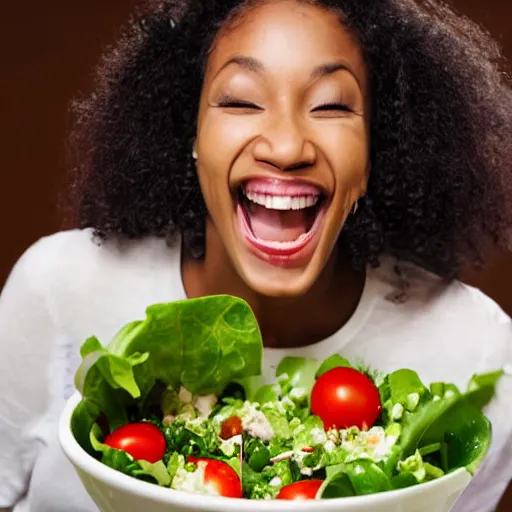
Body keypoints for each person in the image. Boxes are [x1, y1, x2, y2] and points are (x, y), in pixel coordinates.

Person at [1, 0, 512, 510]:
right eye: (241, 102)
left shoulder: (479, 351)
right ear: (191, 132)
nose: (287, 147)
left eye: (331, 105)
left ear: (377, 148)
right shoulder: (57, 290)